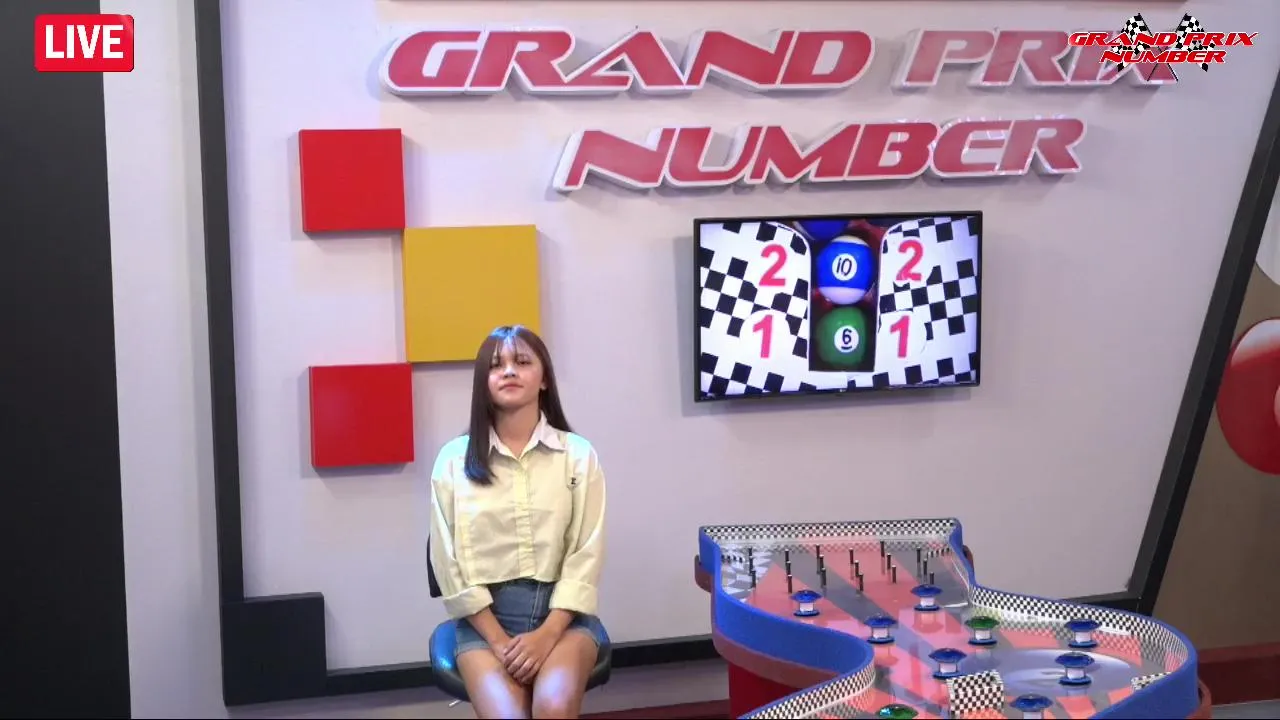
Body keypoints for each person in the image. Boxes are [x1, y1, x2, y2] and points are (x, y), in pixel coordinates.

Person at [428, 325, 608, 719]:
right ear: (484, 382)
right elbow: (447, 562)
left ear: (544, 379)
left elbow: (586, 552)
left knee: (554, 708)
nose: (509, 371)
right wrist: (498, 641)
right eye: (497, 365)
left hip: (563, 619)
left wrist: (547, 634)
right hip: (485, 624)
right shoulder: (453, 462)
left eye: (522, 362)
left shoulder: (578, 455)